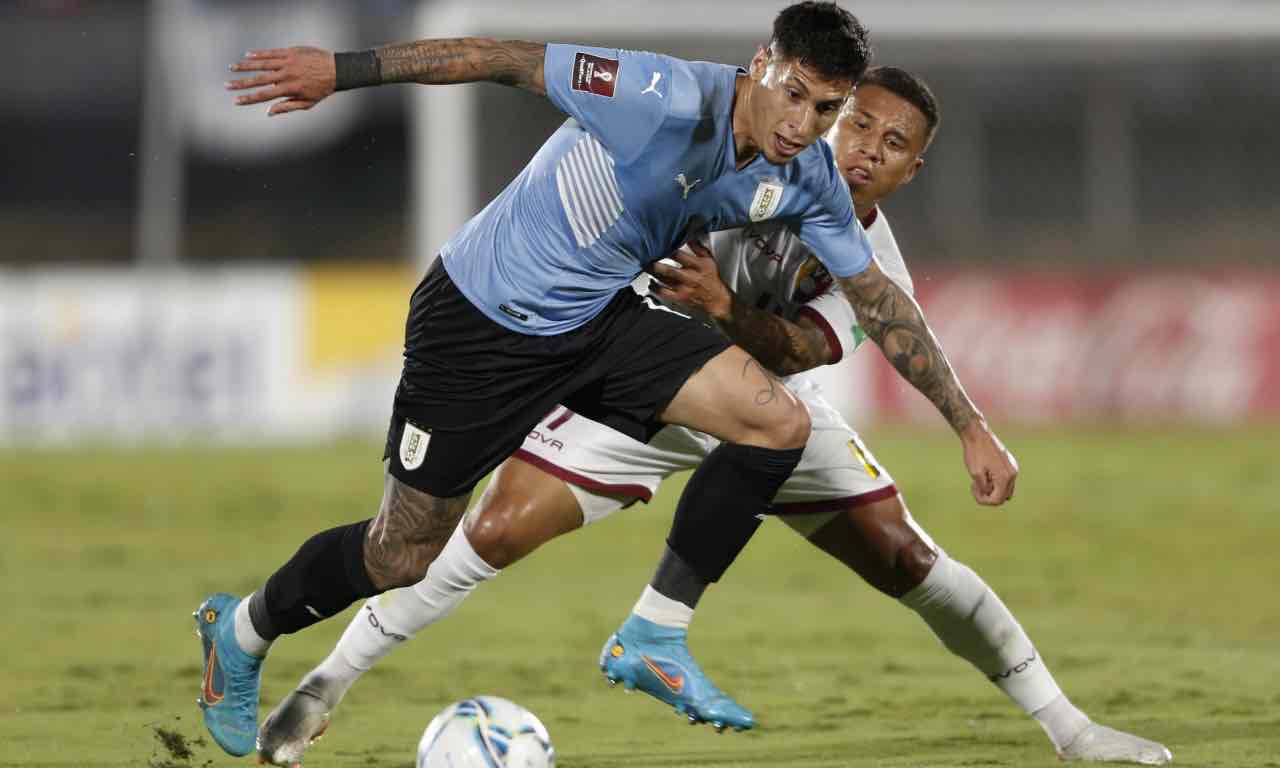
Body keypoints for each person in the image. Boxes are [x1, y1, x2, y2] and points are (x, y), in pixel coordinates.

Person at [250, 67, 1153, 767]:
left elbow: (799, 352)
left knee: (910, 558)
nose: (869, 147)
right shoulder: (741, 160)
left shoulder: (874, 265)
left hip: (765, 408)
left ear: (915, 169)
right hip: (641, 386)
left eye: (895, 142)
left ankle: (1071, 731)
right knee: (491, 529)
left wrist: (966, 425)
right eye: (861, 123)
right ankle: (323, 686)